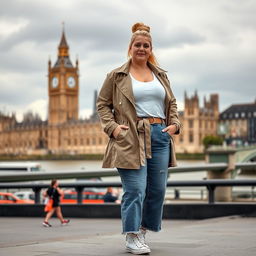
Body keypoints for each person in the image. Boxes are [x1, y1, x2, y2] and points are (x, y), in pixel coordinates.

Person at [97, 22, 181, 254]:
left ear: (151, 49)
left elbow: (171, 102)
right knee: (135, 189)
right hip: (130, 135)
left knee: (157, 190)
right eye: (138, 45)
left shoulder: (160, 75)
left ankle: (142, 230)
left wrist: (174, 125)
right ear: (130, 47)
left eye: (146, 45)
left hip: (160, 134)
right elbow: (102, 104)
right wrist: (113, 128)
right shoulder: (116, 75)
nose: (141, 48)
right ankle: (131, 235)